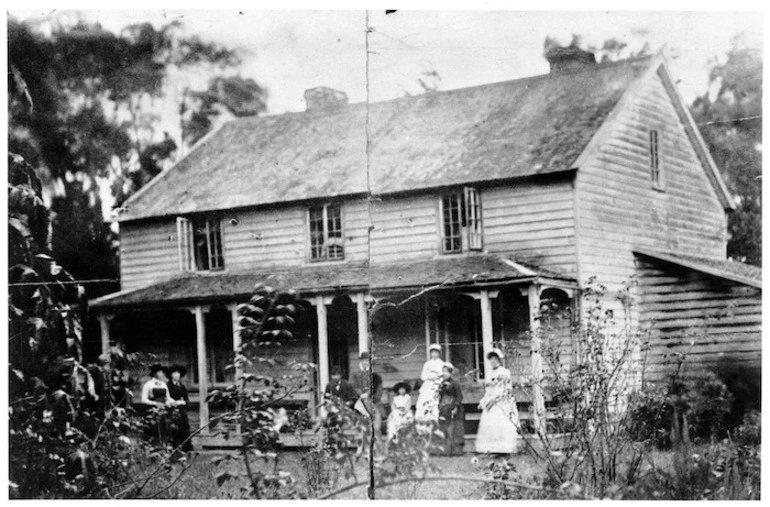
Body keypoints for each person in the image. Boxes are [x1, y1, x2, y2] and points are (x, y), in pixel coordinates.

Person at [475, 348, 519, 455]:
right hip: (491, 401)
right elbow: (488, 390)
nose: (493, 361)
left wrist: (499, 397)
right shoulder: (489, 374)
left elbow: (508, 388)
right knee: (491, 425)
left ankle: (504, 449)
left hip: (502, 401)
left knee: (502, 424)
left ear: (499, 359)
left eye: (495, 358)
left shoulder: (505, 372)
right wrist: (484, 401)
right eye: (491, 359)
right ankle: (494, 449)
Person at [349, 351, 384, 438]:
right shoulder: (354, 374)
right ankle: (362, 447)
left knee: (376, 424)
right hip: (359, 401)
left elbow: (379, 390)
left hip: (373, 401)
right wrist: (361, 395)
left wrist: (369, 395)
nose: (365, 363)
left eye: (367, 361)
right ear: (360, 362)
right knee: (360, 425)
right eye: (363, 361)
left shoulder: (376, 376)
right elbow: (353, 386)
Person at [438, 363, 465, 456]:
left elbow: (459, 397)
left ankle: (456, 451)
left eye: (446, 372)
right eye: (443, 372)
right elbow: (441, 397)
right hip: (444, 408)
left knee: (455, 430)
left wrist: (455, 407)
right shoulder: (441, 383)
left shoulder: (455, 383)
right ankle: (446, 451)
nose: (444, 373)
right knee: (444, 429)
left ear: (450, 373)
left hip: (454, 408)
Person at [414, 344, 445, 424]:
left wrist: (437, 378)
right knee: (424, 401)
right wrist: (430, 377)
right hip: (427, 385)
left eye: (436, 352)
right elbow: (423, 376)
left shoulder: (442, 364)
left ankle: (434, 420)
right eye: (432, 352)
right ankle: (423, 421)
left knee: (434, 402)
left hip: (437, 385)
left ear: (439, 353)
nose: (434, 354)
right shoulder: (427, 364)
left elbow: (443, 375)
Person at [167, 364, 193, 452]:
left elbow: (187, 400)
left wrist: (184, 402)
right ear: (171, 375)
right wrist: (175, 403)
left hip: (182, 411)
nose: (177, 375)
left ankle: (186, 448)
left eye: (178, 373)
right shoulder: (168, 386)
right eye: (174, 373)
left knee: (185, 428)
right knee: (175, 430)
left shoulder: (182, 386)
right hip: (171, 411)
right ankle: (175, 449)